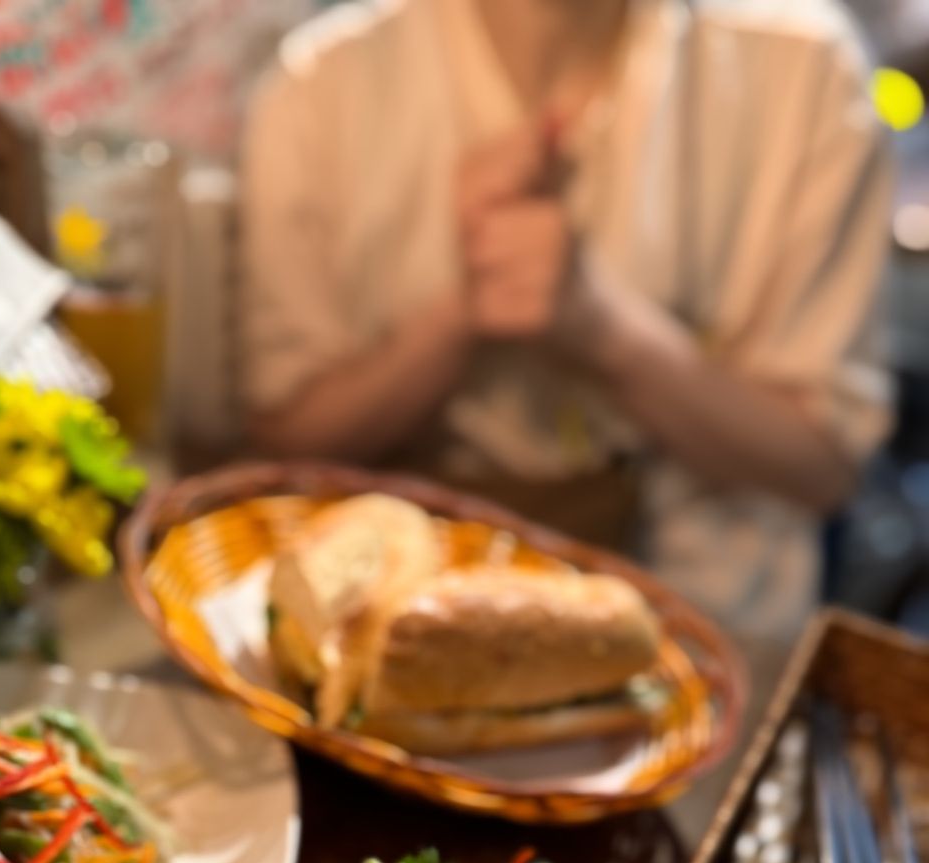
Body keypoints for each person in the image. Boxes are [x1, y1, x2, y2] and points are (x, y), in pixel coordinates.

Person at [239, 0, 894, 638]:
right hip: (387, 632)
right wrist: (462, 311)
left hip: (715, 643)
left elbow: (823, 466)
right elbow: (289, 441)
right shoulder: (323, 84)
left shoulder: (801, 67)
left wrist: (601, 324)